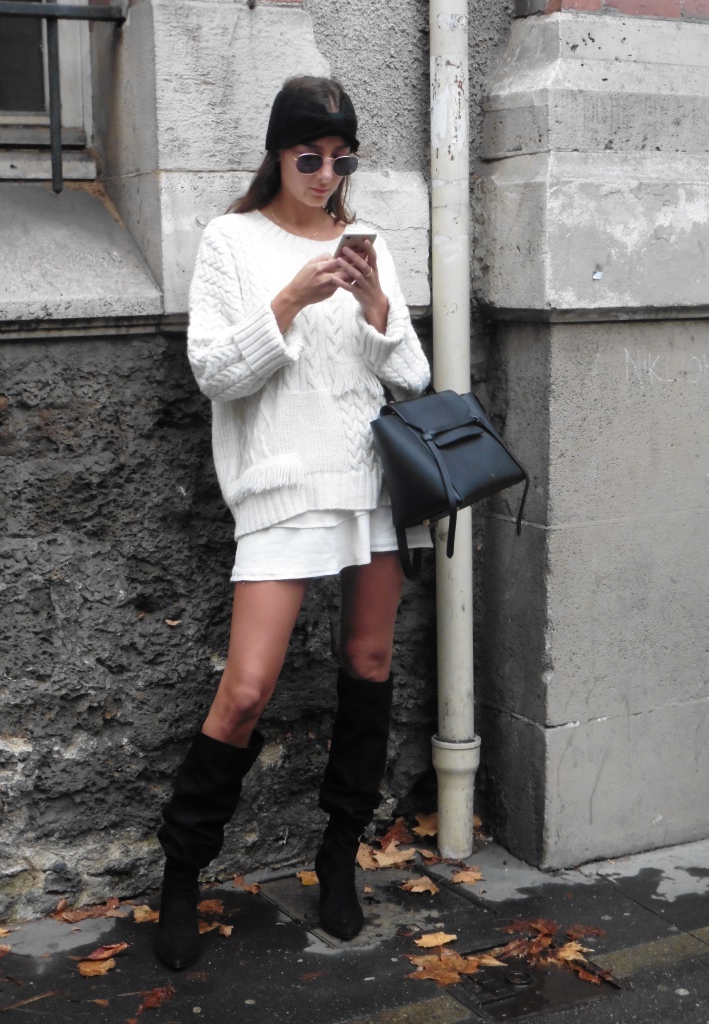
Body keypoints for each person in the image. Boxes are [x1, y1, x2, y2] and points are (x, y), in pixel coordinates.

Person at [155, 76, 431, 971]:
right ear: (277, 153)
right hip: (279, 489)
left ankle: (339, 857)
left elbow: (413, 378)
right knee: (246, 691)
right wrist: (289, 302)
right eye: (309, 157)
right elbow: (213, 373)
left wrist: (376, 308)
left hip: (370, 485)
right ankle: (182, 873)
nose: (324, 174)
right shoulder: (230, 240)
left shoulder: (366, 242)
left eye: (341, 160)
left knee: (370, 664)